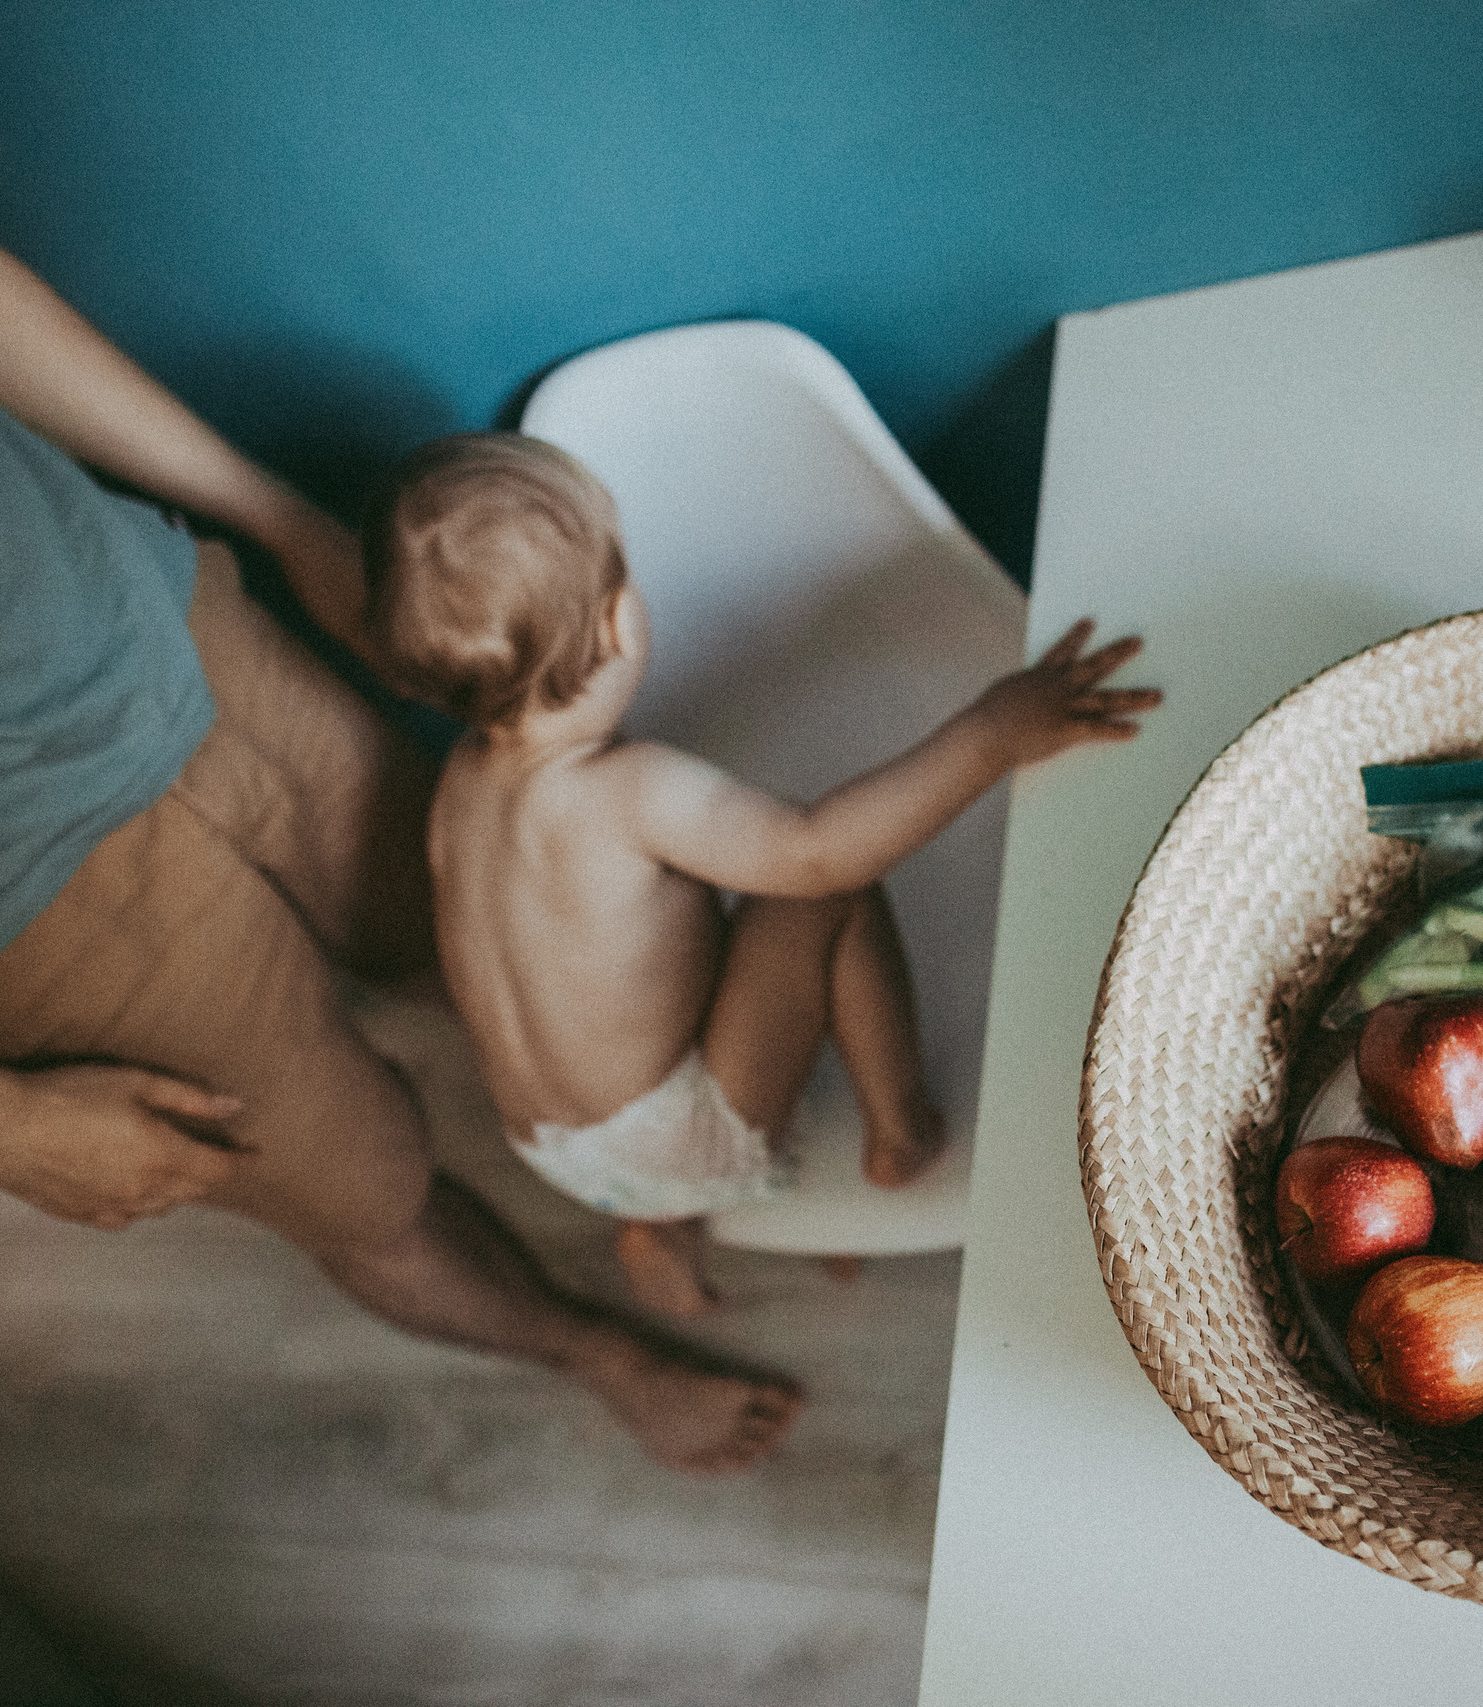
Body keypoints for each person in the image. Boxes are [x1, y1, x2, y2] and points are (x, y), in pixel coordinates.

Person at [0, 67, 800, 1472]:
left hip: (150, 607)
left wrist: (275, 519)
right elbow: (813, 868)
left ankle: (653, 1190)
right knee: (365, 1187)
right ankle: (590, 1345)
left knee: (484, 929)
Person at [362, 434, 1159, 1315]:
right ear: (620, 620)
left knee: (657, 1003)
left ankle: (655, 1223)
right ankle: (902, 1134)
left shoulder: (461, 786)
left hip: (549, 1146)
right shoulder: (629, 792)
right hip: (674, 1137)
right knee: (826, 898)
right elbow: (818, 850)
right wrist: (991, 734)